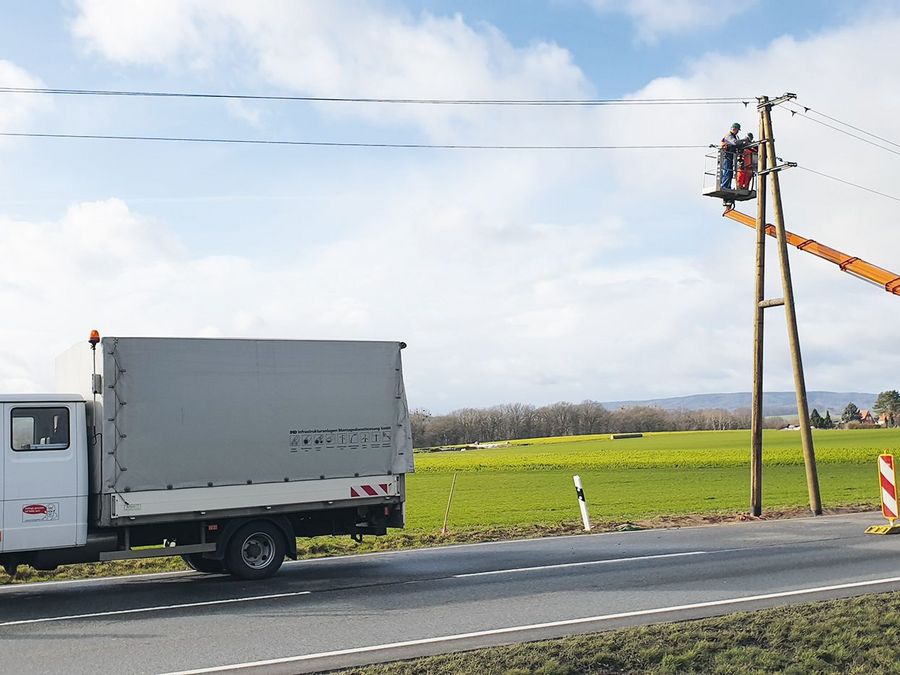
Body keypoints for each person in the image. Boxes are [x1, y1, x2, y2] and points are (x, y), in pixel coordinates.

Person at [720, 122, 743, 191]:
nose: (738, 132)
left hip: (730, 156)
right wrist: (744, 140)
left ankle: (728, 186)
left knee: (730, 172)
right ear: (734, 129)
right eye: (737, 130)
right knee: (727, 171)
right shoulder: (728, 135)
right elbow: (734, 142)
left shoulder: (734, 136)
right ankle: (724, 186)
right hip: (726, 155)